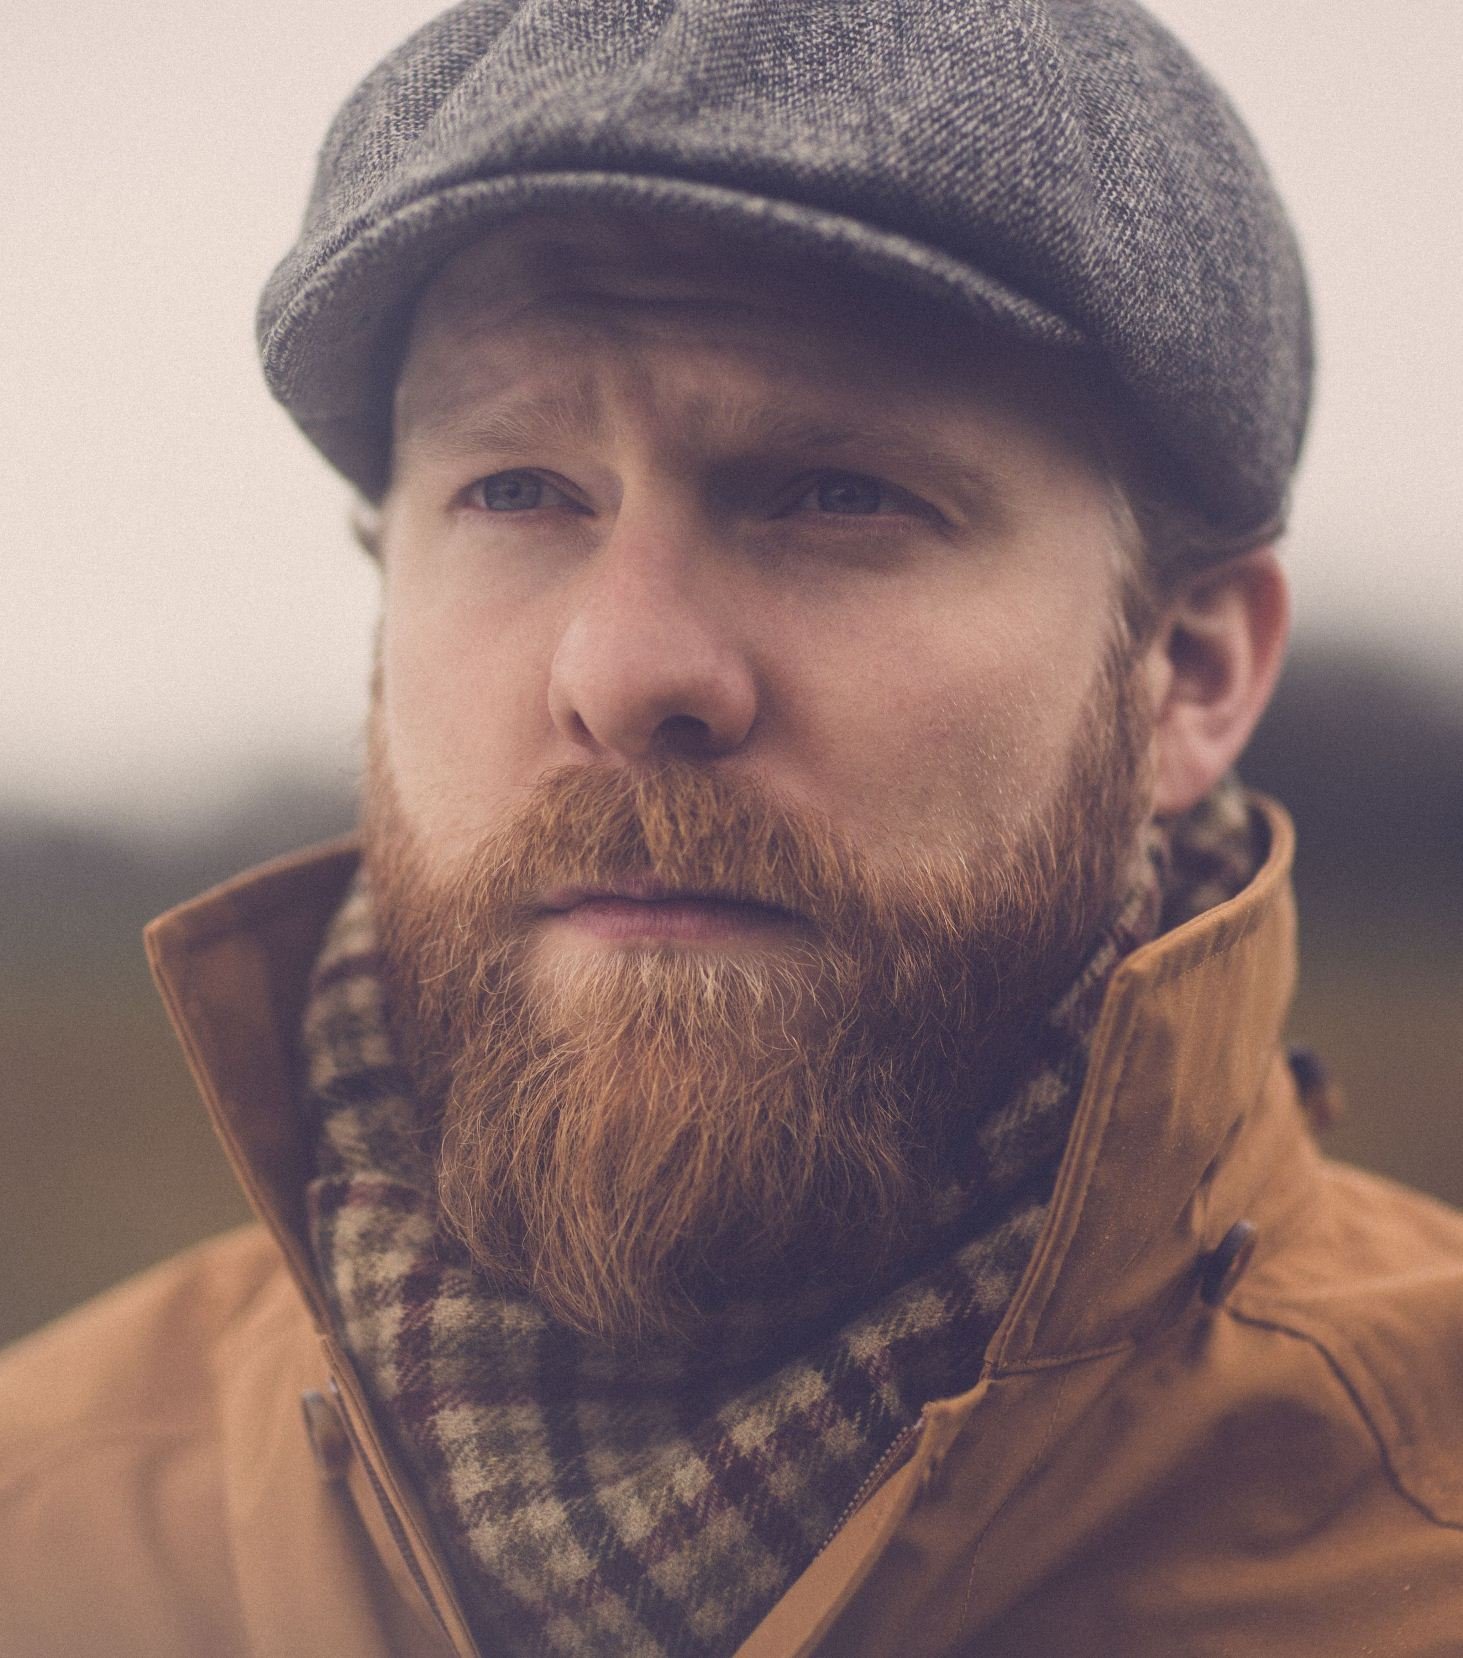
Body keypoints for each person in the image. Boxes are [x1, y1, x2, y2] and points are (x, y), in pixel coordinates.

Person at [3, 1, 1460, 1653]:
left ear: (1187, 672)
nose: (626, 672)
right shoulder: (38, 1530)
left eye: (840, 492)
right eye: (515, 489)